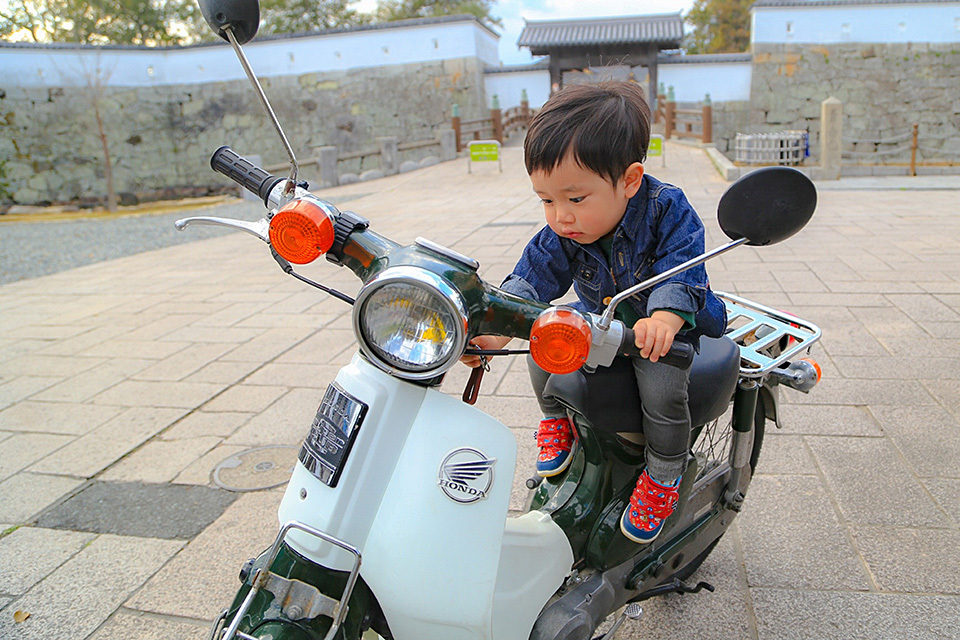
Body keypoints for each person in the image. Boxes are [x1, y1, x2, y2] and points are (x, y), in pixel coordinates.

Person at [461, 81, 727, 544]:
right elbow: (532, 277)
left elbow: (684, 269)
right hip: (603, 325)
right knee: (544, 338)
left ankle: (664, 476)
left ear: (629, 179)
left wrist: (665, 317)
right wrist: (494, 329)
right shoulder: (565, 231)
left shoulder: (668, 209)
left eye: (574, 199)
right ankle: (555, 421)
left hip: (660, 330)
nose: (560, 216)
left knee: (663, 393)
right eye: (546, 200)